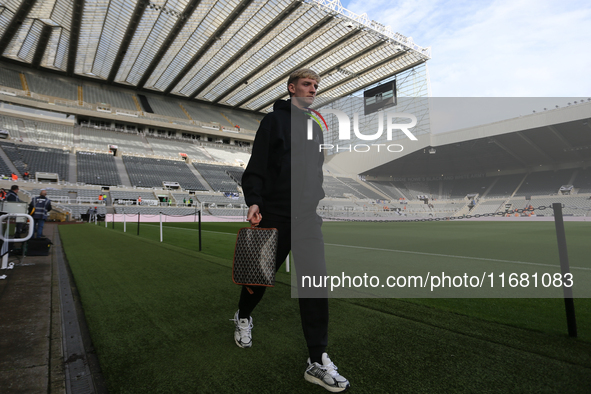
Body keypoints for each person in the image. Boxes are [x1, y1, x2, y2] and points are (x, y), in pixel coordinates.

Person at [231, 69, 349, 392]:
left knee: (315, 281)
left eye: (316, 86)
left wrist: (315, 199)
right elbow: (257, 165)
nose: (313, 89)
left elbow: (315, 172)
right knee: (258, 276)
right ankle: (243, 315)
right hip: (275, 213)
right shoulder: (272, 122)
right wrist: (254, 200)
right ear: (292, 88)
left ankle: (316, 358)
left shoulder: (316, 129)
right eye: (307, 84)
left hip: (307, 217)